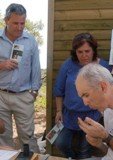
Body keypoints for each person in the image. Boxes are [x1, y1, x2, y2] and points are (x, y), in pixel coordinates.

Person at [53, 33, 112, 159]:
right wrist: (59, 110)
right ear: (75, 52)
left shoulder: (103, 66)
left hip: (92, 115)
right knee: (61, 143)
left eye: (87, 51)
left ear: (93, 50)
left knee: (85, 147)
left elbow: (110, 91)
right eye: (80, 52)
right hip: (69, 115)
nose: (84, 55)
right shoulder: (68, 65)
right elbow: (59, 90)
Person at [0, 3, 41, 152]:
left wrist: (34, 91)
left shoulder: (30, 41)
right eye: (15, 23)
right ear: (6, 20)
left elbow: (36, 67)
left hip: (24, 96)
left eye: (22, 23)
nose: (19, 27)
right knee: (2, 137)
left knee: (28, 138)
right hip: (1, 96)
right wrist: (2, 65)